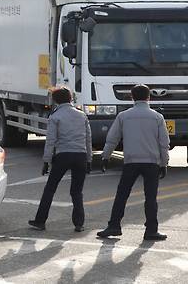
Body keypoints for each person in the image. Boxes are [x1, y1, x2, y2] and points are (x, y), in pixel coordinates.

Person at [97, 84, 170, 241]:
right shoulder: (157, 117)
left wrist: (105, 156)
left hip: (130, 161)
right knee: (150, 197)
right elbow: (164, 143)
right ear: (149, 97)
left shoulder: (123, 116)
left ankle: (114, 226)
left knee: (122, 194)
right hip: (151, 162)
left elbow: (112, 138)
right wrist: (164, 163)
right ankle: (151, 230)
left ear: (132, 97)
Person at [28, 86, 92, 232]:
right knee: (77, 191)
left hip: (63, 155)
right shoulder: (81, 115)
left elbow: (51, 140)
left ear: (55, 100)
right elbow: (88, 139)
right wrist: (89, 159)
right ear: (71, 98)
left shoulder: (55, 116)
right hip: (80, 156)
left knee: (50, 189)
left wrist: (46, 161)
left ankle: (40, 221)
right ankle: (79, 223)